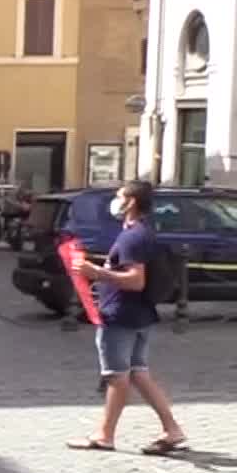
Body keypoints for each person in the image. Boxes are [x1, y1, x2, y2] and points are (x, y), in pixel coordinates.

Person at [69, 180, 187, 456]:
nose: (115, 200)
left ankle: (104, 435)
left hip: (122, 315)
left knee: (116, 376)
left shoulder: (133, 237)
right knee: (138, 373)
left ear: (131, 202)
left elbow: (135, 280)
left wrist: (96, 273)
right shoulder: (142, 233)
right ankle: (172, 429)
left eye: (119, 196)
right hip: (140, 315)